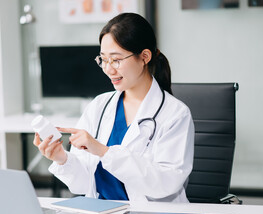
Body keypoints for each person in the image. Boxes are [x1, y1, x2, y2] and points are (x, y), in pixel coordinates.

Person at [33, 12, 194, 202]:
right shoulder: (99, 106)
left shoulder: (175, 114)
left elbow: (165, 184)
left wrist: (103, 151)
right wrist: (61, 158)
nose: (108, 69)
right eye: (103, 59)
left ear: (144, 57)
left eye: (116, 60)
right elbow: (84, 185)